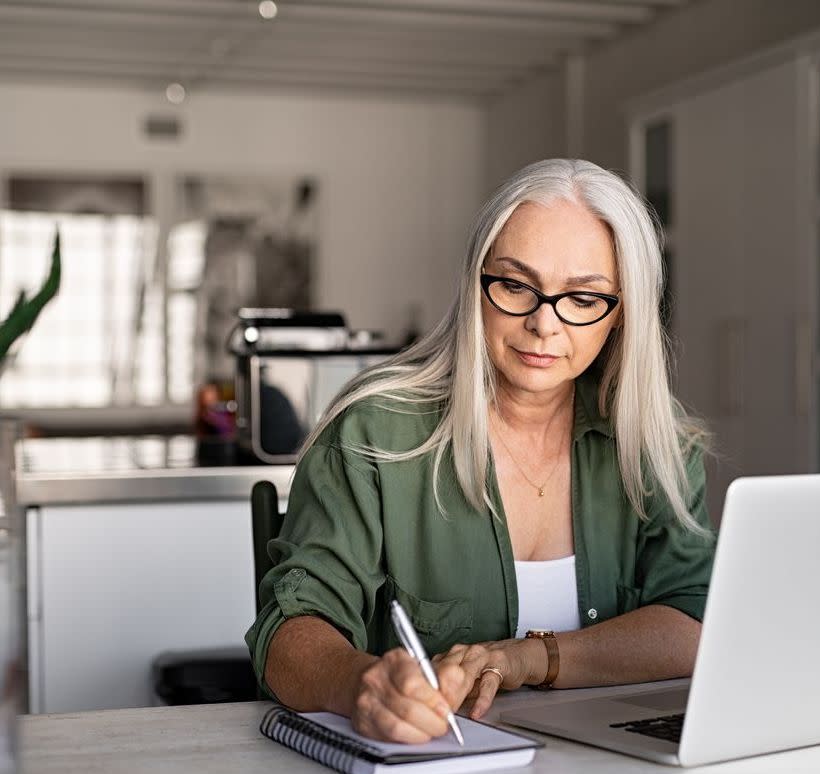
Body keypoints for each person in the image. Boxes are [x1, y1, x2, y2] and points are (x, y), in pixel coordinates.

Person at [246, 158, 717, 744]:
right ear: (476, 284)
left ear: (622, 314)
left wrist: (528, 658)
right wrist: (359, 684)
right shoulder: (372, 431)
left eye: (583, 297)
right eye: (517, 286)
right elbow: (290, 631)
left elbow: (694, 622)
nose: (545, 325)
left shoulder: (656, 441)